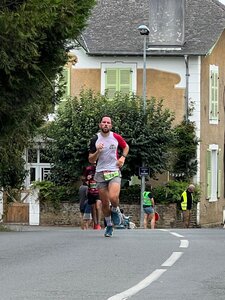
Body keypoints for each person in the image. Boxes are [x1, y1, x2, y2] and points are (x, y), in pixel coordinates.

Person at [88, 116, 129, 237]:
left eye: (108, 123)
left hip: (114, 171)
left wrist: (122, 157)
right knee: (105, 203)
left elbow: (126, 147)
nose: (106, 124)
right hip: (100, 173)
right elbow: (91, 159)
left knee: (113, 197)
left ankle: (115, 209)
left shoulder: (116, 137)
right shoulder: (95, 139)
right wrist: (98, 152)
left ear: (111, 126)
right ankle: (109, 225)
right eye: (104, 122)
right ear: (100, 125)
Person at [84, 164, 102, 230]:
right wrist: (87, 180)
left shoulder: (101, 168)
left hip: (99, 191)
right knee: (93, 208)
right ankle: (95, 223)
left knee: (98, 206)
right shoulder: (88, 169)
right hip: (91, 192)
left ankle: (99, 224)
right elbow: (85, 179)